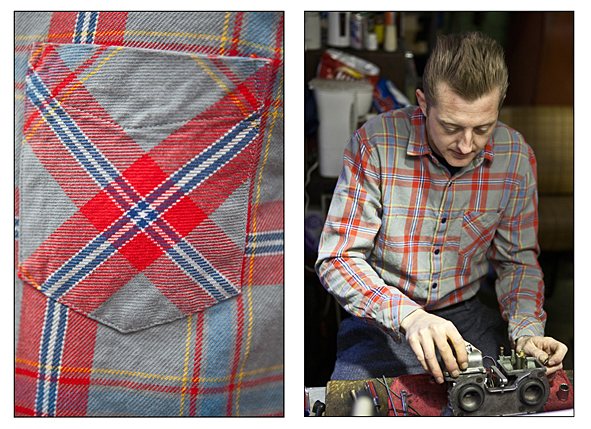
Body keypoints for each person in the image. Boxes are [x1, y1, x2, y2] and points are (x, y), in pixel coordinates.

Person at [315, 32, 567, 384]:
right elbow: (338, 258)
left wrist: (526, 332)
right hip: (384, 319)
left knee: (512, 397)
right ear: (423, 103)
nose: (466, 145)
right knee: (361, 405)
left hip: (467, 316)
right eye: (450, 126)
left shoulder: (515, 156)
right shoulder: (375, 143)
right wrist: (410, 317)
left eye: (483, 128)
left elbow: (517, 262)